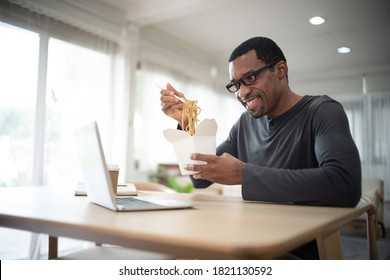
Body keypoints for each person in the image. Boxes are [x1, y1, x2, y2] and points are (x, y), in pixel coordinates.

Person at [159, 36, 362, 259]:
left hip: (296, 253)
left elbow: (344, 184)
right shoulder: (245, 124)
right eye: (236, 85)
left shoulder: (322, 111)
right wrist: (186, 121)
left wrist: (243, 174)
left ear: (281, 70)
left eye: (251, 78)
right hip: (247, 240)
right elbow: (199, 178)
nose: (242, 93)